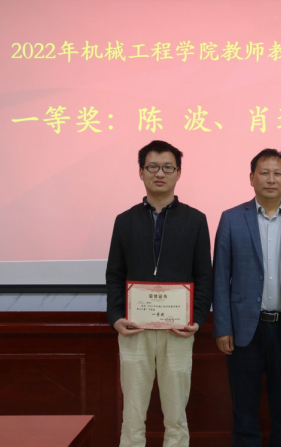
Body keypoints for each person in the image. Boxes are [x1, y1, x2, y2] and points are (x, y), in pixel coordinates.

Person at [106, 140, 213, 447]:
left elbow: (204, 276)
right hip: (134, 329)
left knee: (176, 416)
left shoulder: (195, 220)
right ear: (141, 172)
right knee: (132, 414)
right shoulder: (125, 221)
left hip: (178, 329)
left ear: (178, 172)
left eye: (168, 167)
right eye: (152, 167)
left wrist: (197, 319)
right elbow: (115, 275)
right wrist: (116, 317)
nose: (160, 173)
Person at [213, 148, 281, 447]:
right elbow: (220, 277)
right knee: (244, 410)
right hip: (244, 329)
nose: (271, 179)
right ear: (251, 178)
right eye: (264, 172)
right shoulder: (232, 218)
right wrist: (223, 327)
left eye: (277, 173)